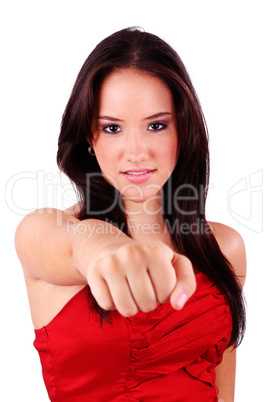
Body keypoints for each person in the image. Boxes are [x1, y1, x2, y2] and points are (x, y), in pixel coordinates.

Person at [15, 27, 246, 402]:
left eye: (156, 125)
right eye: (112, 128)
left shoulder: (225, 247)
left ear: (182, 130)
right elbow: (79, 245)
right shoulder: (43, 229)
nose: (136, 152)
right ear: (90, 138)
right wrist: (106, 248)